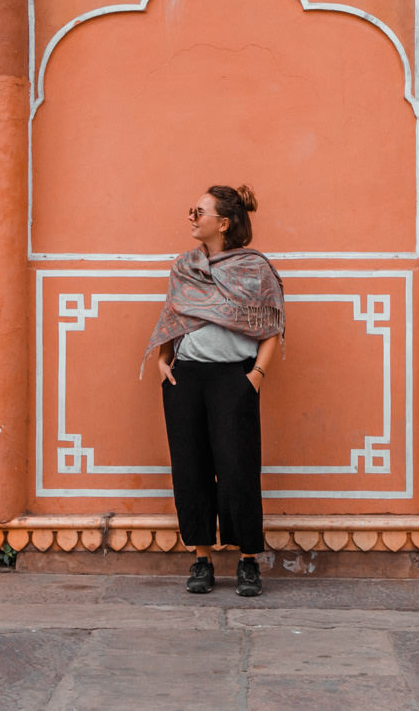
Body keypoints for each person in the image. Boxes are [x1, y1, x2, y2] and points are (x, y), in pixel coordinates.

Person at [143, 184, 285, 597]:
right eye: (192, 210)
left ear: (222, 223)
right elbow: (173, 316)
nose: (192, 217)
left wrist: (256, 375)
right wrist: (161, 360)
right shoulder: (183, 267)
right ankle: (201, 558)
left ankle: (247, 561)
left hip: (233, 379)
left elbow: (272, 327)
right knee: (190, 468)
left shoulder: (254, 270)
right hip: (186, 379)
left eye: (199, 211)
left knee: (239, 468)